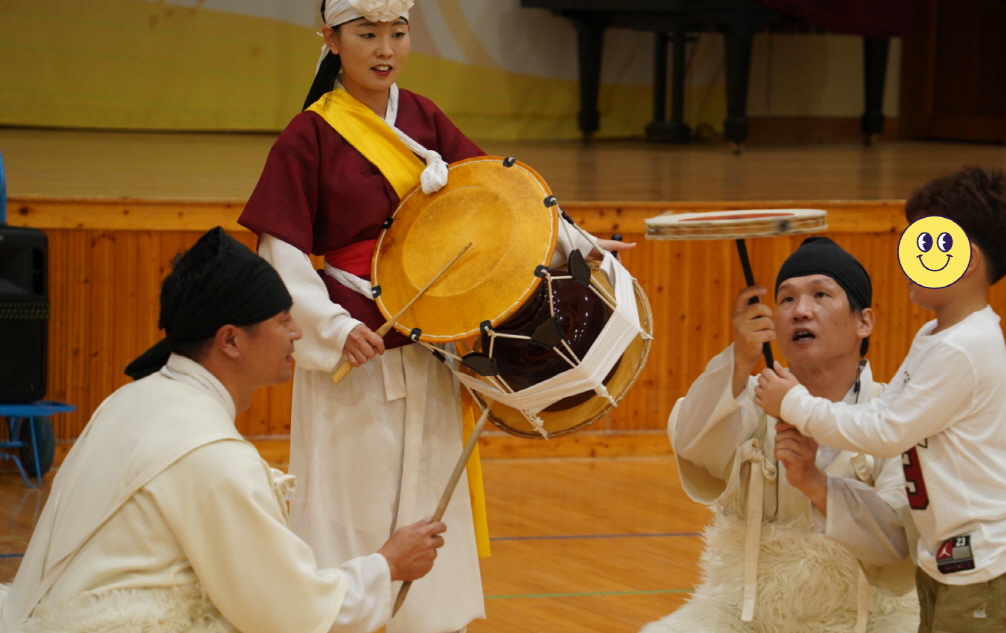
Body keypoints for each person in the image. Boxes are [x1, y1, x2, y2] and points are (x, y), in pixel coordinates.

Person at [237, 2, 628, 632]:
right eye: (367, 34)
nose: (384, 48)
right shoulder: (307, 135)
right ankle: (342, 619)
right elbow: (280, 251)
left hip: (436, 338)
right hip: (360, 347)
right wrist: (334, 329)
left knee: (427, 495)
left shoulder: (422, 117)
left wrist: (575, 243)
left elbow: (502, 202)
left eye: (397, 33)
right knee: (349, 502)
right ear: (331, 40)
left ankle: (430, 623)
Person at [0, 227, 447, 633]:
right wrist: (386, 565)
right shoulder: (210, 453)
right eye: (281, 320)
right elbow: (288, 612)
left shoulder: (130, 400)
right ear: (230, 340)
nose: (295, 333)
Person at [756, 166, 1006, 633]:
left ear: (964, 259)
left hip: (994, 562)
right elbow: (886, 411)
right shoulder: (936, 334)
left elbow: (886, 432)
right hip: (949, 557)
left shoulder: (964, 347)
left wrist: (793, 405)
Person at [644, 237, 918, 633]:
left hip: (872, 620)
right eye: (786, 299)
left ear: (864, 321)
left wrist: (816, 483)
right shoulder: (749, 397)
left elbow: (896, 542)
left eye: (821, 294)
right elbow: (693, 445)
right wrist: (739, 358)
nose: (800, 311)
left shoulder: (896, 414)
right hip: (740, 616)